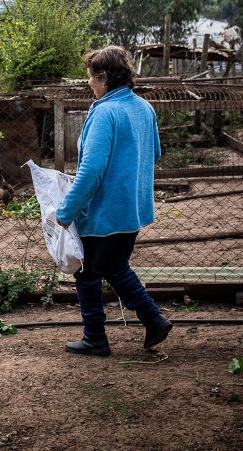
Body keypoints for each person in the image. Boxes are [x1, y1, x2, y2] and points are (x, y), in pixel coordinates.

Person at [55, 45, 171, 356]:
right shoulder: (143, 108)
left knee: (87, 272)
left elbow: (91, 169)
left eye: (91, 78)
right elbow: (155, 153)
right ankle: (153, 319)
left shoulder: (105, 112)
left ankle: (96, 337)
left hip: (104, 212)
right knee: (115, 266)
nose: (89, 83)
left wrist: (66, 210)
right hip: (132, 209)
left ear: (104, 78)